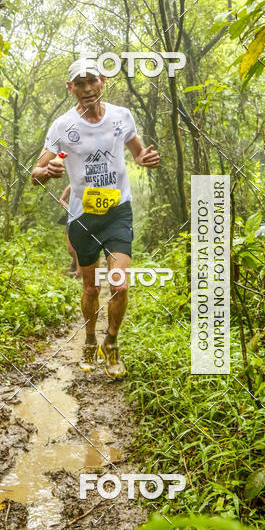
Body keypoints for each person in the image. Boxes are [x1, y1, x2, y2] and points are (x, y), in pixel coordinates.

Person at [30, 59, 160, 378]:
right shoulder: (62, 126)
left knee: (119, 283)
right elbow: (35, 173)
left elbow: (137, 152)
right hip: (82, 216)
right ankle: (89, 340)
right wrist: (46, 172)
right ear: (70, 88)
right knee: (90, 288)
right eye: (80, 83)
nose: (87, 88)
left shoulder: (121, 117)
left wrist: (144, 159)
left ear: (102, 81)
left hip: (118, 211)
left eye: (92, 81)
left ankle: (111, 343)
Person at [58, 185, 81, 278]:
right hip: (71, 218)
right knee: (71, 249)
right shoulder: (71, 185)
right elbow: (61, 200)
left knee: (80, 246)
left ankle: (79, 273)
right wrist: (69, 208)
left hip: (84, 218)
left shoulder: (90, 185)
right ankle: (75, 262)